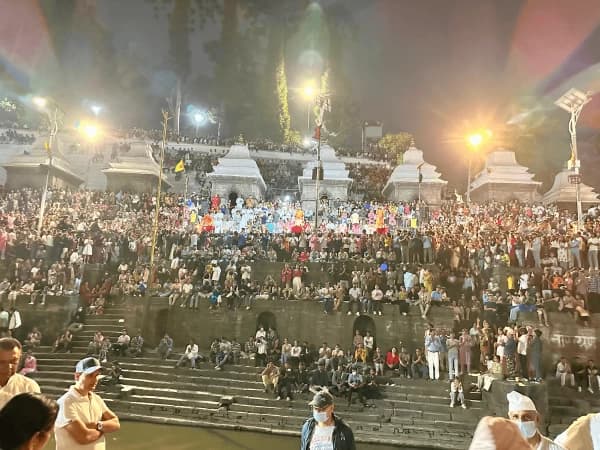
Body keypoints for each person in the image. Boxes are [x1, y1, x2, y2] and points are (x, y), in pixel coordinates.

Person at [55, 357, 120, 450]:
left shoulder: (96, 398)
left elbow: (116, 423)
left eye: (97, 375)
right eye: (90, 375)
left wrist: (97, 425)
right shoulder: (66, 402)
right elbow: (84, 437)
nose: (95, 380)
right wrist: (103, 430)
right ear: (77, 376)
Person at [0, 337, 41, 409]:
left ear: (20, 359)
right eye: (2, 362)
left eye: (13, 361)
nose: (9, 366)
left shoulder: (29, 387)